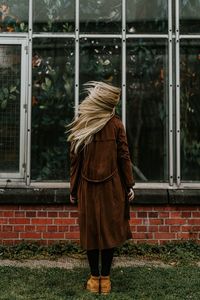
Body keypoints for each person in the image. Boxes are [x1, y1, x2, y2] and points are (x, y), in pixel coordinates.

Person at [67, 81, 135, 295]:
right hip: (112, 187)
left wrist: (73, 188)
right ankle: (105, 280)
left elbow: (74, 160)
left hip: (87, 187)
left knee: (91, 231)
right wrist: (129, 185)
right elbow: (124, 156)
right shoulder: (116, 124)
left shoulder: (83, 123)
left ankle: (94, 277)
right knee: (109, 230)